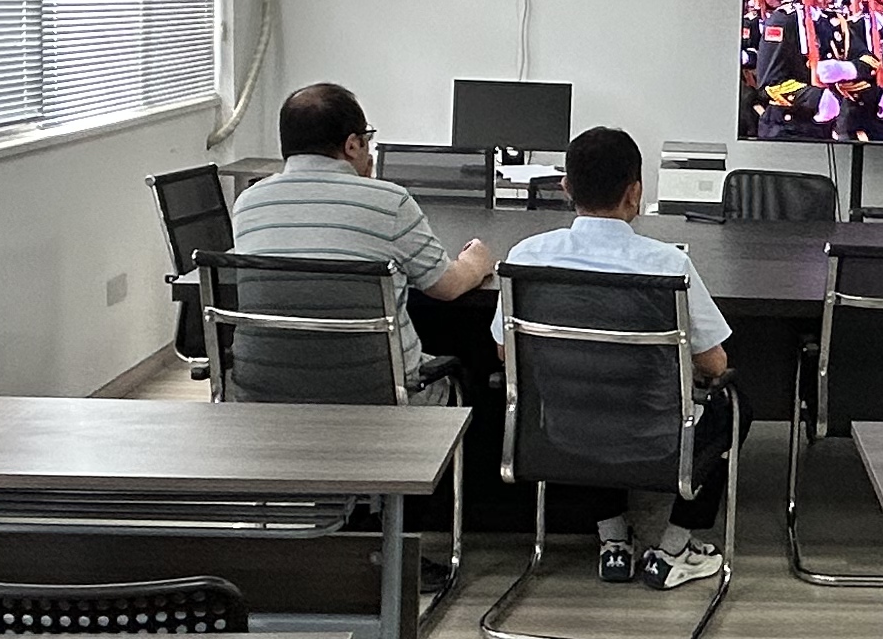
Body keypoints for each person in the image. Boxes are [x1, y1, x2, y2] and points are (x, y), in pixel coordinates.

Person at [493, 124, 732, 590]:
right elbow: (715, 364)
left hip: (560, 433)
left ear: (565, 186)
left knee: (585, 395)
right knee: (732, 404)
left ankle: (614, 541)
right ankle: (673, 549)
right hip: (656, 438)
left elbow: (506, 351)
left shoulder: (526, 258)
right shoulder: (668, 265)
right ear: (634, 192)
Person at [226, 81, 497, 395]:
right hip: (379, 392)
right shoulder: (390, 202)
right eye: (367, 138)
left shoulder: (248, 203)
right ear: (353, 145)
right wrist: (475, 262)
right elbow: (446, 287)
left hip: (266, 391)